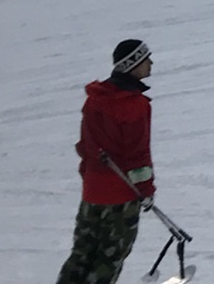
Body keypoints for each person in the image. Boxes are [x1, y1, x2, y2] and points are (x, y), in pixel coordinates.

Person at [57, 39, 156, 284]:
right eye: (146, 59)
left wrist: (91, 178)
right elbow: (137, 154)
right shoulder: (134, 105)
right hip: (120, 195)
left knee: (82, 254)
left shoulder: (95, 100)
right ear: (133, 65)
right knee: (108, 258)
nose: (151, 64)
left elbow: (85, 146)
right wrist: (146, 190)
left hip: (92, 192)